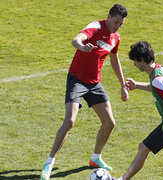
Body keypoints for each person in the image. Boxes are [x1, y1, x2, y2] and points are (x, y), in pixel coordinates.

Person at [40, 4, 128, 180]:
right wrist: (81, 46)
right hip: (77, 80)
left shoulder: (115, 38)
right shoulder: (96, 27)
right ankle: (49, 162)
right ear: (109, 16)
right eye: (116, 22)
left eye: (121, 24)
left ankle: (96, 158)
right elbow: (76, 40)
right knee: (70, 121)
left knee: (109, 122)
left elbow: (114, 59)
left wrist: (122, 84)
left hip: (95, 83)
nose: (117, 26)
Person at [117, 41, 163, 180]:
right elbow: (161, 89)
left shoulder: (158, 79)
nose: (134, 64)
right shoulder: (161, 71)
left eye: (135, 61)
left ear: (142, 60)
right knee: (143, 147)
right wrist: (137, 85)